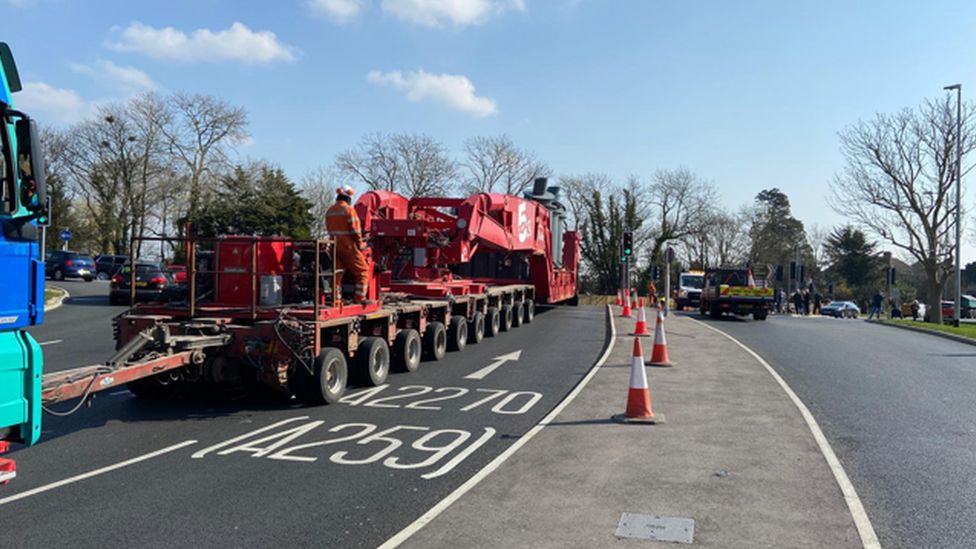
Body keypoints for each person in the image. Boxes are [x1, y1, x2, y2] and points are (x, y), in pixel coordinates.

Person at [326, 185, 370, 304]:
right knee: (363, 271)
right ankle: (360, 298)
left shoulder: (330, 210)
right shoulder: (349, 210)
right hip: (348, 247)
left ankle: (336, 299)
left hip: (334, 246)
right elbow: (355, 230)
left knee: (337, 274)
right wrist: (360, 244)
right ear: (348, 198)